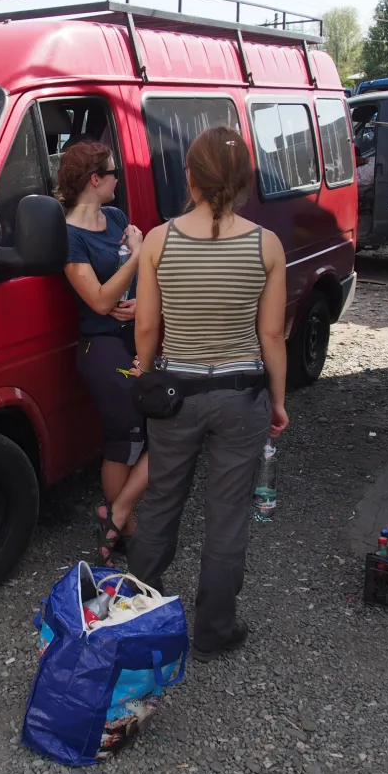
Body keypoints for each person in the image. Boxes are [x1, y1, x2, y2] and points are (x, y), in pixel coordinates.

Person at [126, 126, 289, 662]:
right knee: (227, 515)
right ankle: (215, 630)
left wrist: (145, 373)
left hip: (176, 394)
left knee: (160, 504)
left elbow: (147, 326)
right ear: (245, 181)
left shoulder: (158, 240)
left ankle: (135, 615)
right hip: (241, 398)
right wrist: (280, 401)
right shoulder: (266, 245)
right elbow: (271, 336)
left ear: (190, 178)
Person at [58, 140, 148, 567]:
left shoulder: (115, 218)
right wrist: (137, 255)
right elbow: (96, 299)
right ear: (96, 180)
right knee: (124, 439)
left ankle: (116, 515)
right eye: (113, 173)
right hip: (100, 344)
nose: (118, 180)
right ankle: (124, 527)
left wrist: (140, 300)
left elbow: (134, 287)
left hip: (133, 335)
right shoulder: (69, 236)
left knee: (159, 427)